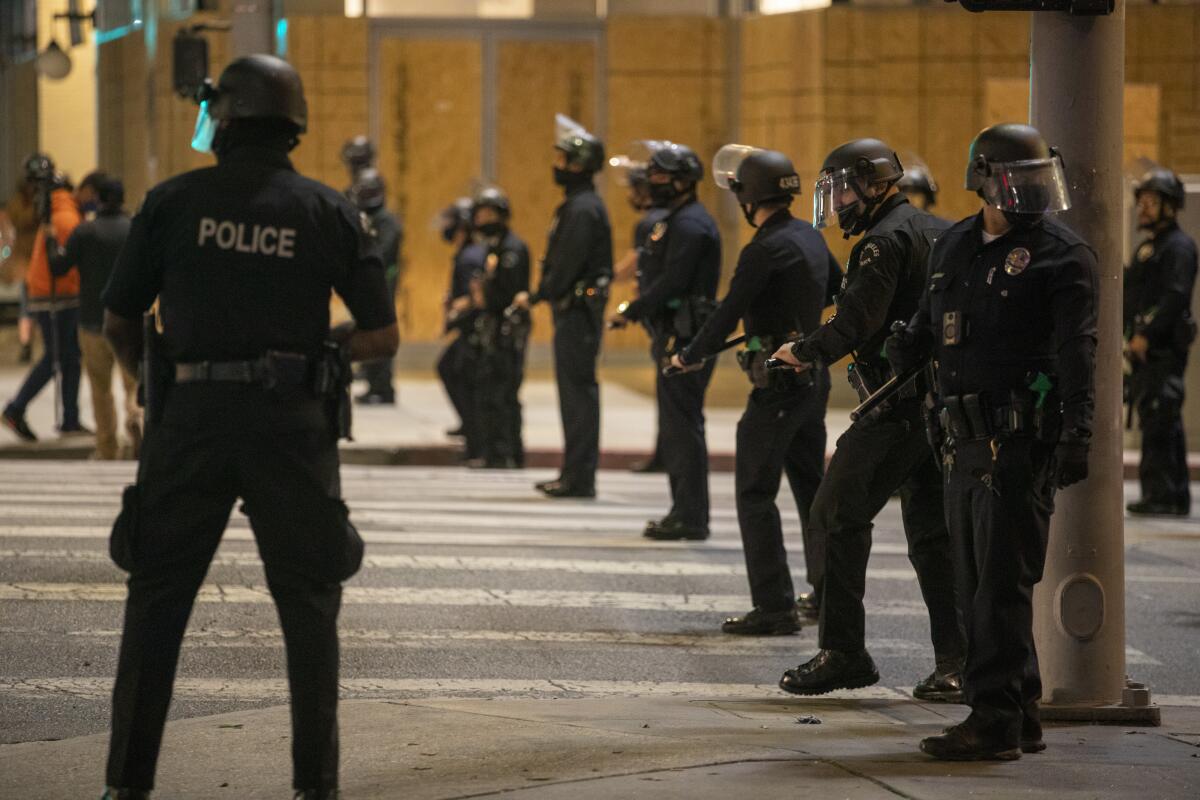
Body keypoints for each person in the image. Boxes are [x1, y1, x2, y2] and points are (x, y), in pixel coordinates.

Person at [98, 54, 398, 800]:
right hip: (292, 429)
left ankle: (126, 787)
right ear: (292, 125)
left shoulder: (171, 202)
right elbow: (382, 335)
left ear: (225, 118)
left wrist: (149, 388)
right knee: (309, 608)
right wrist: (322, 350)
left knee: (157, 602)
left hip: (189, 425)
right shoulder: (328, 211)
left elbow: (118, 319)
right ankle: (314, 787)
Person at [888, 122, 1097, 761]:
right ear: (981, 180)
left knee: (1001, 587)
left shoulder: (1063, 255)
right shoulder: (952, 245)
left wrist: (1075, 433)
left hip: (1020, 445)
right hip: (961, 441)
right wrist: (906, 344)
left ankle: (992, 720)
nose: (1026, 195)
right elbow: (931, 324)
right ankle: (1021, 711)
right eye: (1013, 182)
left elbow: (1077, 353)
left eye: (1037, 181)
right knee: (974, 583)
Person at [770, 139, 966, 700]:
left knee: (834, 513)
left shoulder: (882, 242)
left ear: (873, 185)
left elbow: (857, 322)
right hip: (938, 406)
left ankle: (845, 653)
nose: (838, 204)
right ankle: (958, 662)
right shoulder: (937, 229)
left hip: (897, 405)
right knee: (933, 537)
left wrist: (802, 351)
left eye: (843, 190)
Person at [669, 145, 837, 631]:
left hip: (778, 388)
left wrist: (688, 355)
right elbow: (835, 289)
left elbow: (726, 312)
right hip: (813, 382)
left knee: (754, 492)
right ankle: (825, 595)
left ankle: (774, 606)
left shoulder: (763, 249)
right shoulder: (808, 235)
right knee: (812, 491)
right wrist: (795, 322)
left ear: (749, 197)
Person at [610, 140, 720, 539]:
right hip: (673, 333)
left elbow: (673, 280)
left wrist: (632, 310)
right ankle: (682, 511)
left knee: (684, 427)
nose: (651, 182)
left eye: (659, 175)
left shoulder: (690, 224)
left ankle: (691, 517)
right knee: (677, 427)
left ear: (681, 182)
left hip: (686, 336)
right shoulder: (674, 220)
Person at [513, 115, 613, 499]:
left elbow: (566, 264)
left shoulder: (583, 209)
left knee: (578, 393)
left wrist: (539, 294)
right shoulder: (578, 204)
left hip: (578, 313)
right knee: (575, 392)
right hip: (573, 311)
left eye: (564, 160)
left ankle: (579, 476)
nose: (557, 167)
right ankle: (575, 472)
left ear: (580, 166)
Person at [1, 158, 102, 442]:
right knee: (57, 357)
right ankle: (16, 408)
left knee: (68, 358)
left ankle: (69, 418)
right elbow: (69, 260)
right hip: (56, 295)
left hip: (53, 293)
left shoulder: (59, 212)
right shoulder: (67, 217)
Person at [46, 176, 141, 459]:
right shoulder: (135, 229)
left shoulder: (85, 232)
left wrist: (50, 238)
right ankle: (136, 418)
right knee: (133, 382)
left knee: (101, 389)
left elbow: (58, 267)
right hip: (129, 320)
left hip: (91, 319)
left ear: (97, 199)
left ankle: (107, 446)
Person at [1124, 167, 1197, 516]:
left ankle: (1164, 495)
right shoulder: (1151, 247)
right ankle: (1167, 494)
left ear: (1170, 206)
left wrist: (1145, 335)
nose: (1144, 210)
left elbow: (1175, 297)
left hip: (1162, 349)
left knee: (1160, 421)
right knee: (1157, 420)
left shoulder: (1178, 247)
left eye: (1152, 203)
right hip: (1147, 351)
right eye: (1142, 203)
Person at [610, 155, 668, 474]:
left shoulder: (649, 222)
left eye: (633, 189)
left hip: (660, 314)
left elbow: (635, 263)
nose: (631, 196)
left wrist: (604, 278)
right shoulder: (671, 217)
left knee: (668, 386)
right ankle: (664, 451)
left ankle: (665, 454)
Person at [467, 186, 531, 468]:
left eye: (488, 214)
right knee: (490, 391)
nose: (482, 220)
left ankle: (507, 452)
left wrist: (483, 294)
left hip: (508, 329)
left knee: (504, 392)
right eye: (479, 215)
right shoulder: (493, 247)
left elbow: (503, 292)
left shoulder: (512, 249)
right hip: (494, 328)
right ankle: (496, 450)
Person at [348, 168, 404, 405]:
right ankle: (374, 383)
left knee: (381, 331)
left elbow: (381, 252)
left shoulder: (387, 221)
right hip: (369, 283)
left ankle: (383, 386)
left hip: (384, 284)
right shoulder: (367, 218)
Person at [436, 197, 487, 454]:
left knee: (455, 371)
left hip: (473, 329)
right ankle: (470, 427)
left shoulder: (470, 257)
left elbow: (476, 295)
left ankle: (474, 432)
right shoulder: (468, 253)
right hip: (468, 328)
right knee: (452, 370)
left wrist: (457, 307)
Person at [3, 175, 38, 363]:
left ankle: (27, 343)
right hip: (28, 261)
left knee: (28, 307)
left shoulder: (16, 205)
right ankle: (26, 343)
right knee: (27, 306)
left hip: (33, 261)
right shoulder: (25, 206)